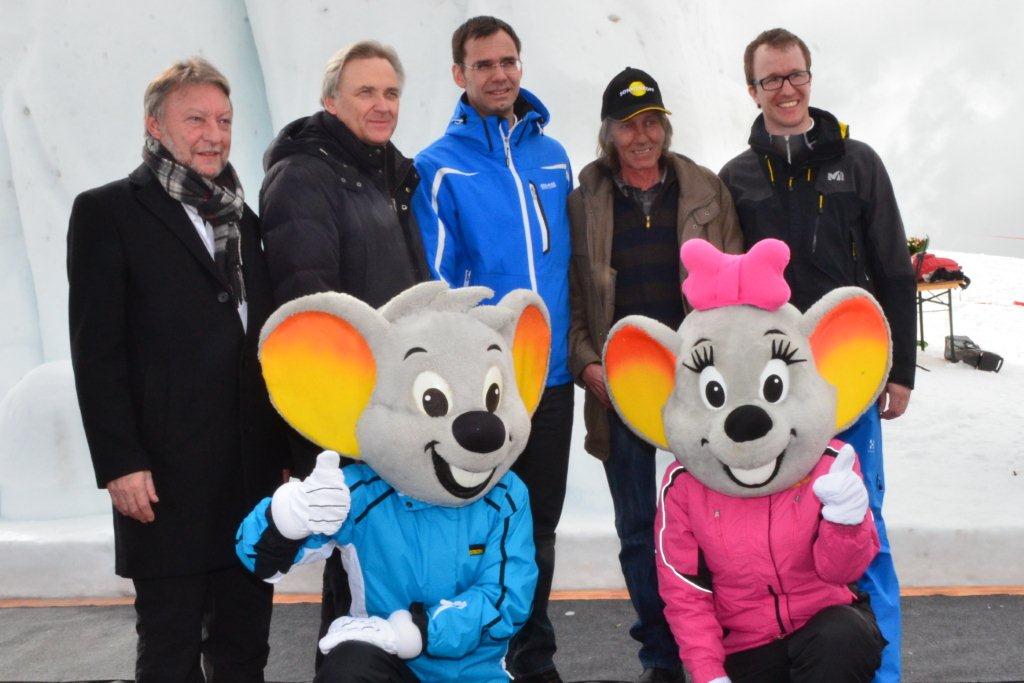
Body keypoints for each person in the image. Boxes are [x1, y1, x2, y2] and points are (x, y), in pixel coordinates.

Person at [67, 56, 288, 681]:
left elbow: (262, 347)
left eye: (224, 120)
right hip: (164, 483)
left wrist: (282, 455)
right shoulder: (108, 212)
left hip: (248, 479)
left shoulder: (244, 219)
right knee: (170, 651)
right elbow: (96, 353)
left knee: (245, 649)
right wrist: (120, 463)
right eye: (196, 120)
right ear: (155, 125)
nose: (214, 135)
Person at [719, 28, 915, 683]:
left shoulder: (858, 163)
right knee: (783, 533)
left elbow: (894, 268)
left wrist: (901, 372)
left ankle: (883, 672)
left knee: (862, 522)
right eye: (771, 79)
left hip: (849, 382)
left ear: (810, 76)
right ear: (752, 90)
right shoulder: (736, 178)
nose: (786, 88)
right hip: (772, 391)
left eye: (795, 74)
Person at [258, 40, 429, 670]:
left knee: (387, 572)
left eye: (391, 93)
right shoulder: (305, 178)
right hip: (350, 417)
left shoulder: (387, 175)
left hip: (393, 408)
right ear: (331, 101)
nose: (382, 105)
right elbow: (309, 311)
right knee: (358, 571)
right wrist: (343, 421)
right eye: (366, 92)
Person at [412, 16, 573, 682]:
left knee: (538, 528)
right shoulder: (437, 167)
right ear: (459, 74)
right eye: (483, 64)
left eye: (508, 61)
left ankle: (534, 659)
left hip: (551, 379)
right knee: (476, 528)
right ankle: (475, 660)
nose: (499, 74)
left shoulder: (553, 157)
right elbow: (437, 289)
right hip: (485, 390)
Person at [568, 67, 742, 683]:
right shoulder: (585, 199)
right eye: (627, 125)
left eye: (651, 123)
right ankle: (663, 657)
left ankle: (720, 649)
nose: (640, 136)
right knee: (640, 529)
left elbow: (733, 288)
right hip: (621, 387)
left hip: (700, 386)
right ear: (608, 133)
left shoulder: (706, 190)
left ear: (665, 127)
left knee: (715, 524)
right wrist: (586, 361)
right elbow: (574, 296)